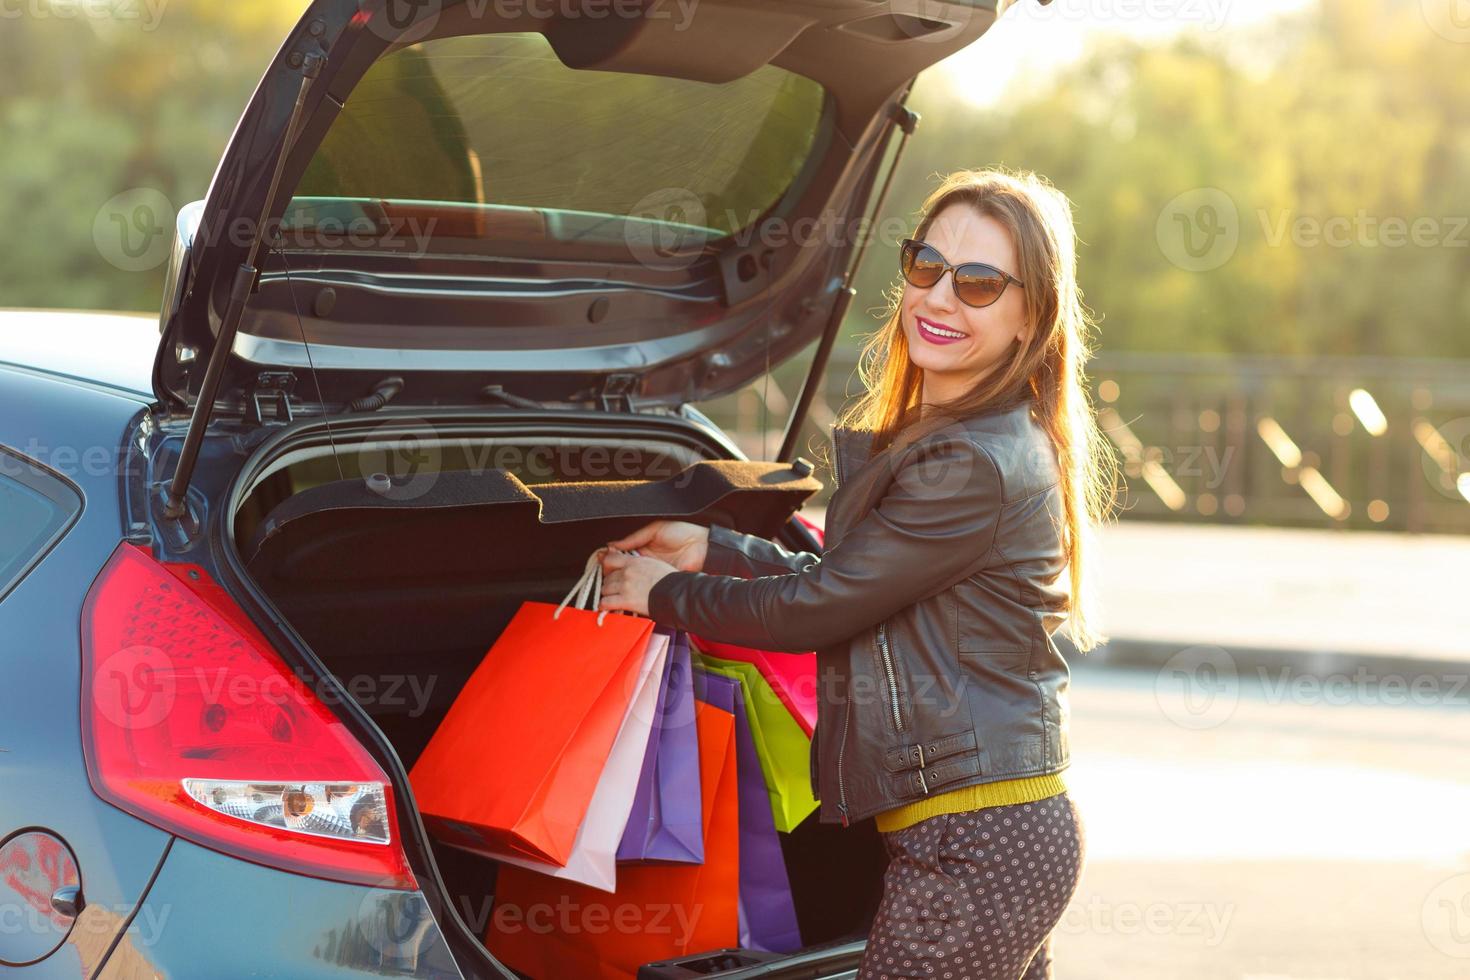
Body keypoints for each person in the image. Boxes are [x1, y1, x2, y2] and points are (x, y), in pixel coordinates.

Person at [598, 167, 1117, 980]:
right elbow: (855, 578)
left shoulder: (970, 463)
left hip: (975, 846)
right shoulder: (967, 437)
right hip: (990, 836)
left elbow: (818, 607)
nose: (941, 298)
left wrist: (665, 593)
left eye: (979, 282)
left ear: (1030, 319)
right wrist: (716, 547)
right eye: (926, 267)